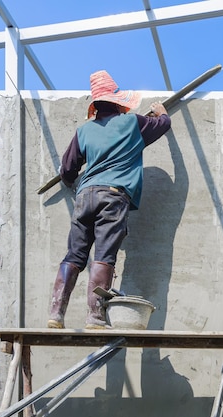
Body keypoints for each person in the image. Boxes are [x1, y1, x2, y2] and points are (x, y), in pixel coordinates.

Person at [48, 70, 171, 330]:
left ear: (95, 107)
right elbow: (163, 126)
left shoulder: (84, 131)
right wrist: (161, 112)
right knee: (104, 256)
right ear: (118, 102)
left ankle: (56, 314)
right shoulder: (132, 124)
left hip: (85, 196)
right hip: (113, 197)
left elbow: (68, 170)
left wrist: (73, 180)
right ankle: (94, 317)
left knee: (74, 256)